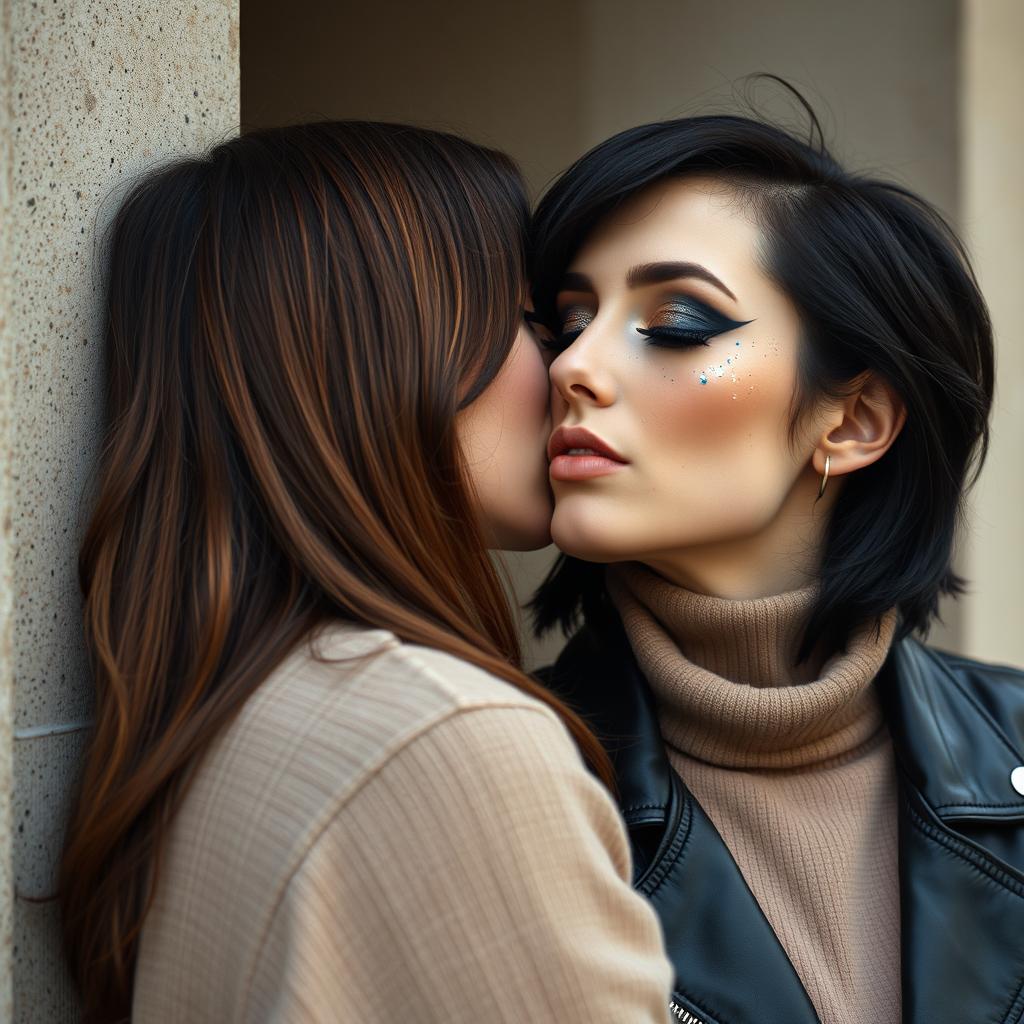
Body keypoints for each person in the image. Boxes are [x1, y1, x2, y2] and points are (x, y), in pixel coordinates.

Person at [58, 121, 677, 1024]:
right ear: (383, 356)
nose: (568, 366)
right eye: (524, 318)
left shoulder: (227, 720)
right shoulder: (444, 742)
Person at [530, 91, 1024, 1024]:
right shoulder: (509, 776)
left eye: (675, 323)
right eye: (568, 320)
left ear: (855, 419)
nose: (570, 366)